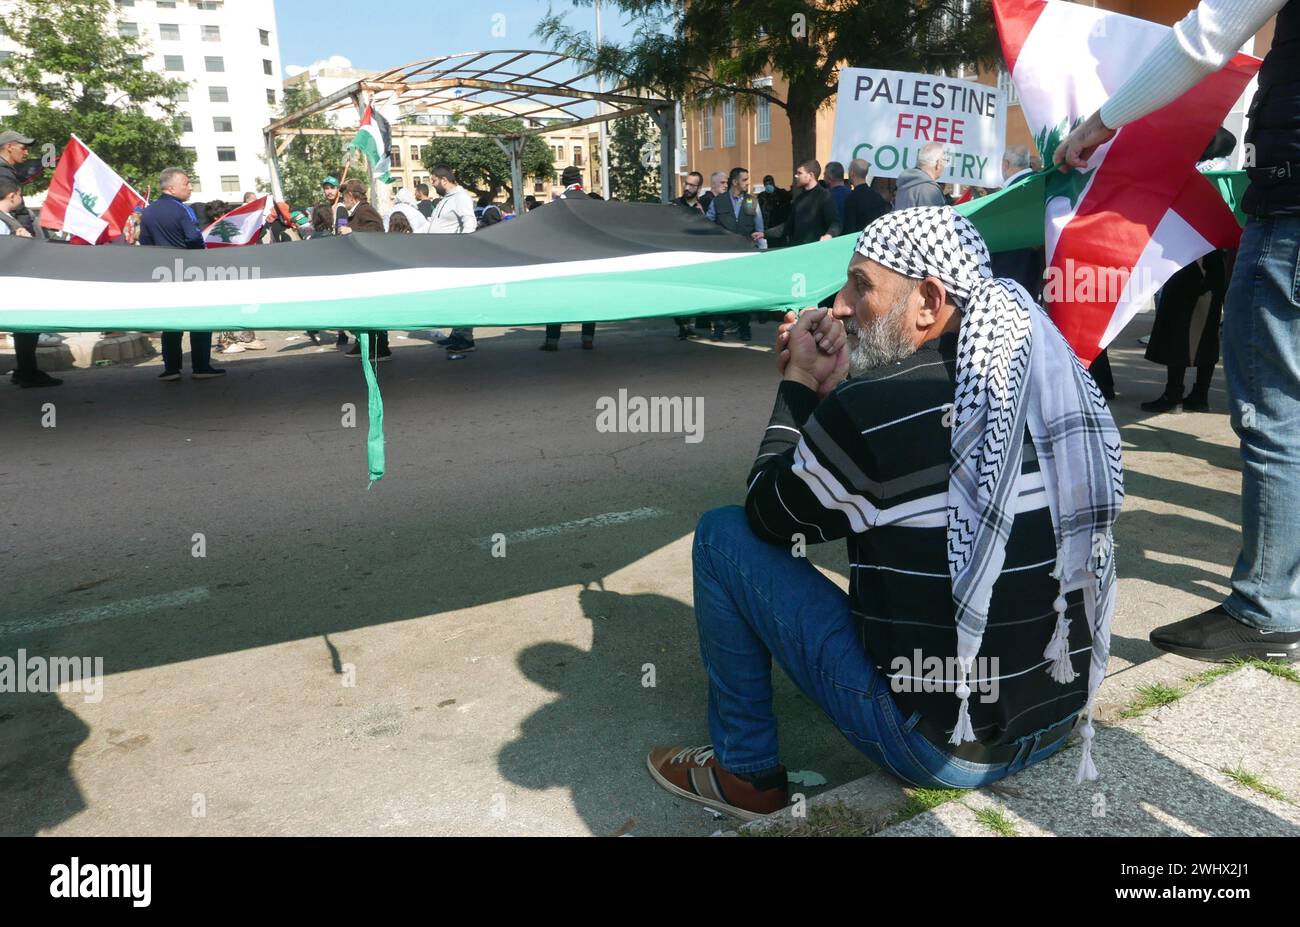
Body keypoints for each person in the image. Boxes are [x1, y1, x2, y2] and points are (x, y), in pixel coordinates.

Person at [646, 206, 1122, 820]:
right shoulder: (1052, 380)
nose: (840, 305)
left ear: (928, 300)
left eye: (861, 285)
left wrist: (798, 384)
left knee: (720, 535)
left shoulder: (877, 404)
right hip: (1058, 718)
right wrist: (843, 397)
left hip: (947, 751)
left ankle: (745, 777)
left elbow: (768, 516)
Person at [1055, 0, 1300, 662]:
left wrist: (1101, 121)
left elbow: (1204, 37)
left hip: (1293, 209)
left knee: (1278, 412)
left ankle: (1269, 609)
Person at [138, 168, 224, 381]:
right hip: (189, 272)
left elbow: (145, 243)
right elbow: (194, 240)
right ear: (171, 187)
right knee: (200, 320)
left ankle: (171, 369)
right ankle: (201, 367)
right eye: (186, 183)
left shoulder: (148, 212)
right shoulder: (183, 210)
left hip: (162, 275)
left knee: (171, 323)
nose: (190, 187)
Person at [0, 176, 62, 388]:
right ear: (12, 195)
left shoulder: (6, 219)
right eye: (20, 194)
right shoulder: (2, 222)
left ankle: (26, 370)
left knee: (24, 329)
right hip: (10, 285)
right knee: (27, 328)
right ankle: (27, 371)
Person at [704, 166, 765, 341]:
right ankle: (719, 327)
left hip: (746, 254)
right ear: (735, 181)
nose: (748, 182)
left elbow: (759, 228)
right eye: (745, 179)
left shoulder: (752, 201)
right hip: (724, 255)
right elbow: (708, 225)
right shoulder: (718, 201)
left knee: (743, 291)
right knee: (720, 292)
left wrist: (761, 246)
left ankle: (744, 327)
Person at [542, 165, 598, 350]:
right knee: (589, 301)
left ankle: (552, 341)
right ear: (580, 180)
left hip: (563, 260)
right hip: (588, 259)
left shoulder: (558, 203)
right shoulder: (591, 202)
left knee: (557, 300)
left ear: (564, 181)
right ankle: (588, 339)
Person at [423, 166, 478, 354]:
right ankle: (457, 334)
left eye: (434, 181)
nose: (433, 185)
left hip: (456, 257)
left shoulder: (461, 198)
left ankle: (466, 338)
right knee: (454, 298)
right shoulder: (446, 199)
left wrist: (462, 246)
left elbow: (469, 222)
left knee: (462, 298)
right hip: (443, 257)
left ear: (444, 180)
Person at [335, 179, 390, 362]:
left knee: (373, 311)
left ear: (351, 195)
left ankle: (381, 348)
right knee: (363, 311)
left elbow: (376, 231)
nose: (343, 199)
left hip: (370, 270)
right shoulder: (356, 210)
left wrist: (351, 229)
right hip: (362, 269)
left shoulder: (365, 209)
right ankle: (364, 344)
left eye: (345, 195)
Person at [987, 146, 1045, 300]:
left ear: (1005, 164)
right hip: (1033, 278)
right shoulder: (1041, 185)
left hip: (1006, 279)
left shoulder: (1007, 195)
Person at [767, 159, 841, 247]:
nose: (796, 176)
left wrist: (829, 235)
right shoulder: (799, 199)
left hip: (816, 252)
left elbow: (836, 223)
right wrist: (765, 233)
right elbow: (788, 226)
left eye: (800, 173)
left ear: (810, 175)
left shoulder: (824, 196)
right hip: (798, 251)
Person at [841, 158, 891, 235]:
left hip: (858, 242)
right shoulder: (877, 197)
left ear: (852, 173)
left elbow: (849, 229)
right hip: (875, 240)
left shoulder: (851, 198)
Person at [894, 142, 949, 209]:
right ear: (938, 163)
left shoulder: (905, 184)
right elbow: (935, 218)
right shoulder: (929, 190)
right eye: (945, 160)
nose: (945, 165)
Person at [824, 160, 851, 226]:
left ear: (829, 177)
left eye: (824, 174)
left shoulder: (826, 196)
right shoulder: (852, 194)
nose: (823, 177)